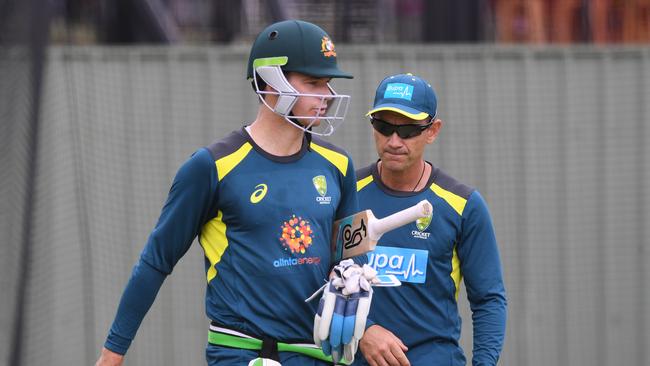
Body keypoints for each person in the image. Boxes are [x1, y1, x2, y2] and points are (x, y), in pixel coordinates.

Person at [96, 19, 363, 366]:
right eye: (313, 82)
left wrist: (354, 280)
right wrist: (112, 353)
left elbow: (352, 254)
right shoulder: (211, 166)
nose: (326, 96)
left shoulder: (338, 164)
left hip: (319, 356)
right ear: (270, 82)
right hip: (243, 354)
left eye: (327, 84)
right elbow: (155, 261)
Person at [353, 73, 507, 366]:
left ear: (433, 130)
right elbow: (319, 277)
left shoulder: (462, 205)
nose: (394, 141)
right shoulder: (346, 192)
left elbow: (489, 300)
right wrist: (363, 330)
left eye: (409, 130)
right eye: (384, 127)